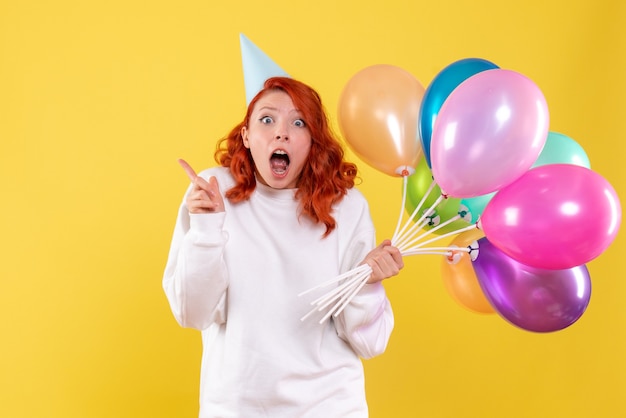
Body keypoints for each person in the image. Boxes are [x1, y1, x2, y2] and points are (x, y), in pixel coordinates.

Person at [163, 76, 404, 417]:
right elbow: (193, 314)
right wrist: (205, 228)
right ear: (246, 135)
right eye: (267, 119)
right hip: (236, 407)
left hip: (329, 406)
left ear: (312, 141)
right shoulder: (214, 192)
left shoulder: (346, 207)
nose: (281, 132)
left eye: (298, 122)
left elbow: (370, 343)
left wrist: (369, 284)